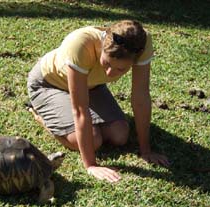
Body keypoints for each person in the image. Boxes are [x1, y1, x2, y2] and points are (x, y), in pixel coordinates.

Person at [27, 20, 169, 183]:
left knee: (120, 135)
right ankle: (42, 116)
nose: (110, 73)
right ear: (102, 46)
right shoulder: (80, 44)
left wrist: (146, 151)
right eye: (106, 63)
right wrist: (91, 165)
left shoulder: (141, 44)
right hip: (49, 84)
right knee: (93, 140)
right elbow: (80, 110)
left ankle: (72, 121)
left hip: (91, 85)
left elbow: (141, 98)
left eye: (120, 69)